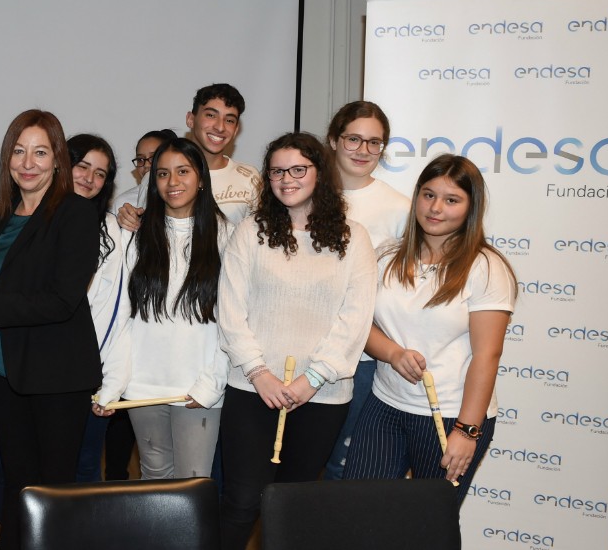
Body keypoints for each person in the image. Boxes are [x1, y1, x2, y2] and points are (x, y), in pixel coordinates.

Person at [0, 109, 100, 550]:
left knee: (54, 490)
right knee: (16, 479)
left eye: (40, 152)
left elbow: (62, 299)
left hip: (56, 372)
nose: (28, 162)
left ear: (58, 160)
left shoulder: (77, 214)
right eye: (19, 151)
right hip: (3, 367)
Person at [215, 132, 376, 550]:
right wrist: (259, 373)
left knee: (293, 507)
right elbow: (230, 311)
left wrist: (313, 378)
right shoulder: (251, 231)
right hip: (252, 391)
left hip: (321, 397)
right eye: (277, 171)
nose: (286, 179)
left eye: (298, 169)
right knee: (241, 502)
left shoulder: (354, 238)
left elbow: (354, 320)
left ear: (319, 173)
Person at [344, 154, 515, 504]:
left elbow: (487, 354)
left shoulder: (486, 267)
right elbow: (361, 325)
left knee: (430, 526)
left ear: (471, 208)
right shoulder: (387, 257)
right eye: (428, 194)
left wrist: (467, 431)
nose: (436, 208)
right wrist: (392, 353)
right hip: (385, 406)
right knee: (356, 510)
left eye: (451, 200)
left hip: (452, 416)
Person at [94, 138, 230, 480]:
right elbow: (124, 317)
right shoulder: (135, 236)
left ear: (201, 178)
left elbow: (233, 322)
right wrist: (115, 383)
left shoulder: (227, 235)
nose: (173, 183)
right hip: (143, 389)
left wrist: (211, 384)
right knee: (154, 481)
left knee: (192, 485)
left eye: (183, 172)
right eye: (163, 174)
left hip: (196, 392)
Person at [321, 101, 411, 480]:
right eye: (354, 139)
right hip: (298, 348)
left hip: (361, 358)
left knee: (342, 461)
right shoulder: (302, 192)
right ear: (333, 140)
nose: (363, 150)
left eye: (374, 143)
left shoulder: (400, 208)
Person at [63, 133, 125, 483]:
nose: (89, 178)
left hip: (91, 374)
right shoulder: (32, 220)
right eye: (82, 166)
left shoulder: (113, 231)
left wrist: (111, 381)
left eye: (100, 173)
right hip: (41, 376)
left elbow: (119, 313)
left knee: (86, 466)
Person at [118, 84, 261, 230]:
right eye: (211, 115)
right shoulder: (157, 175)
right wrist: (128, 218)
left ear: (236, 129)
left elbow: (259, 237)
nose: (220, 127)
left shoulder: (249, 177)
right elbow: (144, 230)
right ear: (190, 119)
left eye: (229, 120)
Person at [110, 129, 176, 212]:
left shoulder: (180, 195)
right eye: (140, 159)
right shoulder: (123, 204)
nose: (146, 165)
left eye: (153, 158)